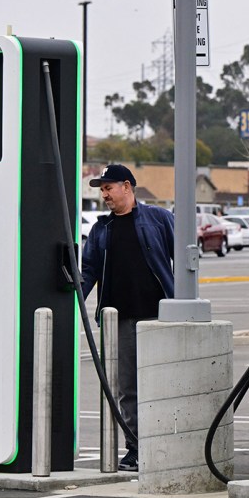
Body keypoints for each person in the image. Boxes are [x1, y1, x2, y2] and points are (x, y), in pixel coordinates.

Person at [81, 164, 174, 472]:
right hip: (119, 320)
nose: (104, 194)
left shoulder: (158, 219)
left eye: (108, 188)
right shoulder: (100, 229)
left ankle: (167, 443)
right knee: (128, 388)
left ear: (127, 186)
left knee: (162, 383)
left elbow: (187, 257)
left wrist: (185, 303)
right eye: (102, 190)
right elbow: (89, 272)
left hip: (160, 317)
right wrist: (72, 298)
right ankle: (136, 448)